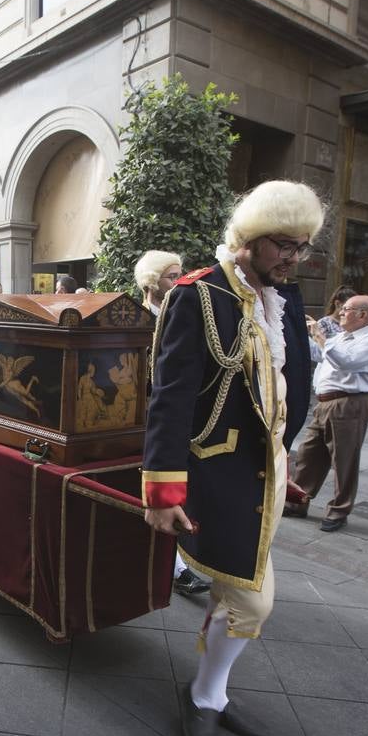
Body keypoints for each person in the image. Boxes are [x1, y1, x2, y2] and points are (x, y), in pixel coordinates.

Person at [142, 180, 323, 736]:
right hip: (214, 475)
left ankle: (212, 691)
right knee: (253, 602)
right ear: (248, 239)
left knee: (239, 595)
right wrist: (163, 490)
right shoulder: (198, 296)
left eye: (301, 247)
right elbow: (168, 399)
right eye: (282, 245)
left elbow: (280, 393)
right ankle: (203, 694)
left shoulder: (284, 298)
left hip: (262, 473)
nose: (293, 258)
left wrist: (283, 461)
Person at [133, 250, 212, 598]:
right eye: (170, 276)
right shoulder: (134, 318)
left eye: (180, 274)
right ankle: (175, 568)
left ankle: (178, 567)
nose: (178, 281)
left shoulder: (186, 313)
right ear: (152, 282)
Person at [287, 294, 368, 533]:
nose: (340, 312)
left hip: (349, 403)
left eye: (346, 309)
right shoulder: (342, 337)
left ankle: (339, 510)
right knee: (308, 454)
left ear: (363, 314)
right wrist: (305, 333)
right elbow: (320, 355)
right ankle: (297, 501)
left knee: (344, 460)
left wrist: (321, 337)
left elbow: (347, 362)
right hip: (325, 403)